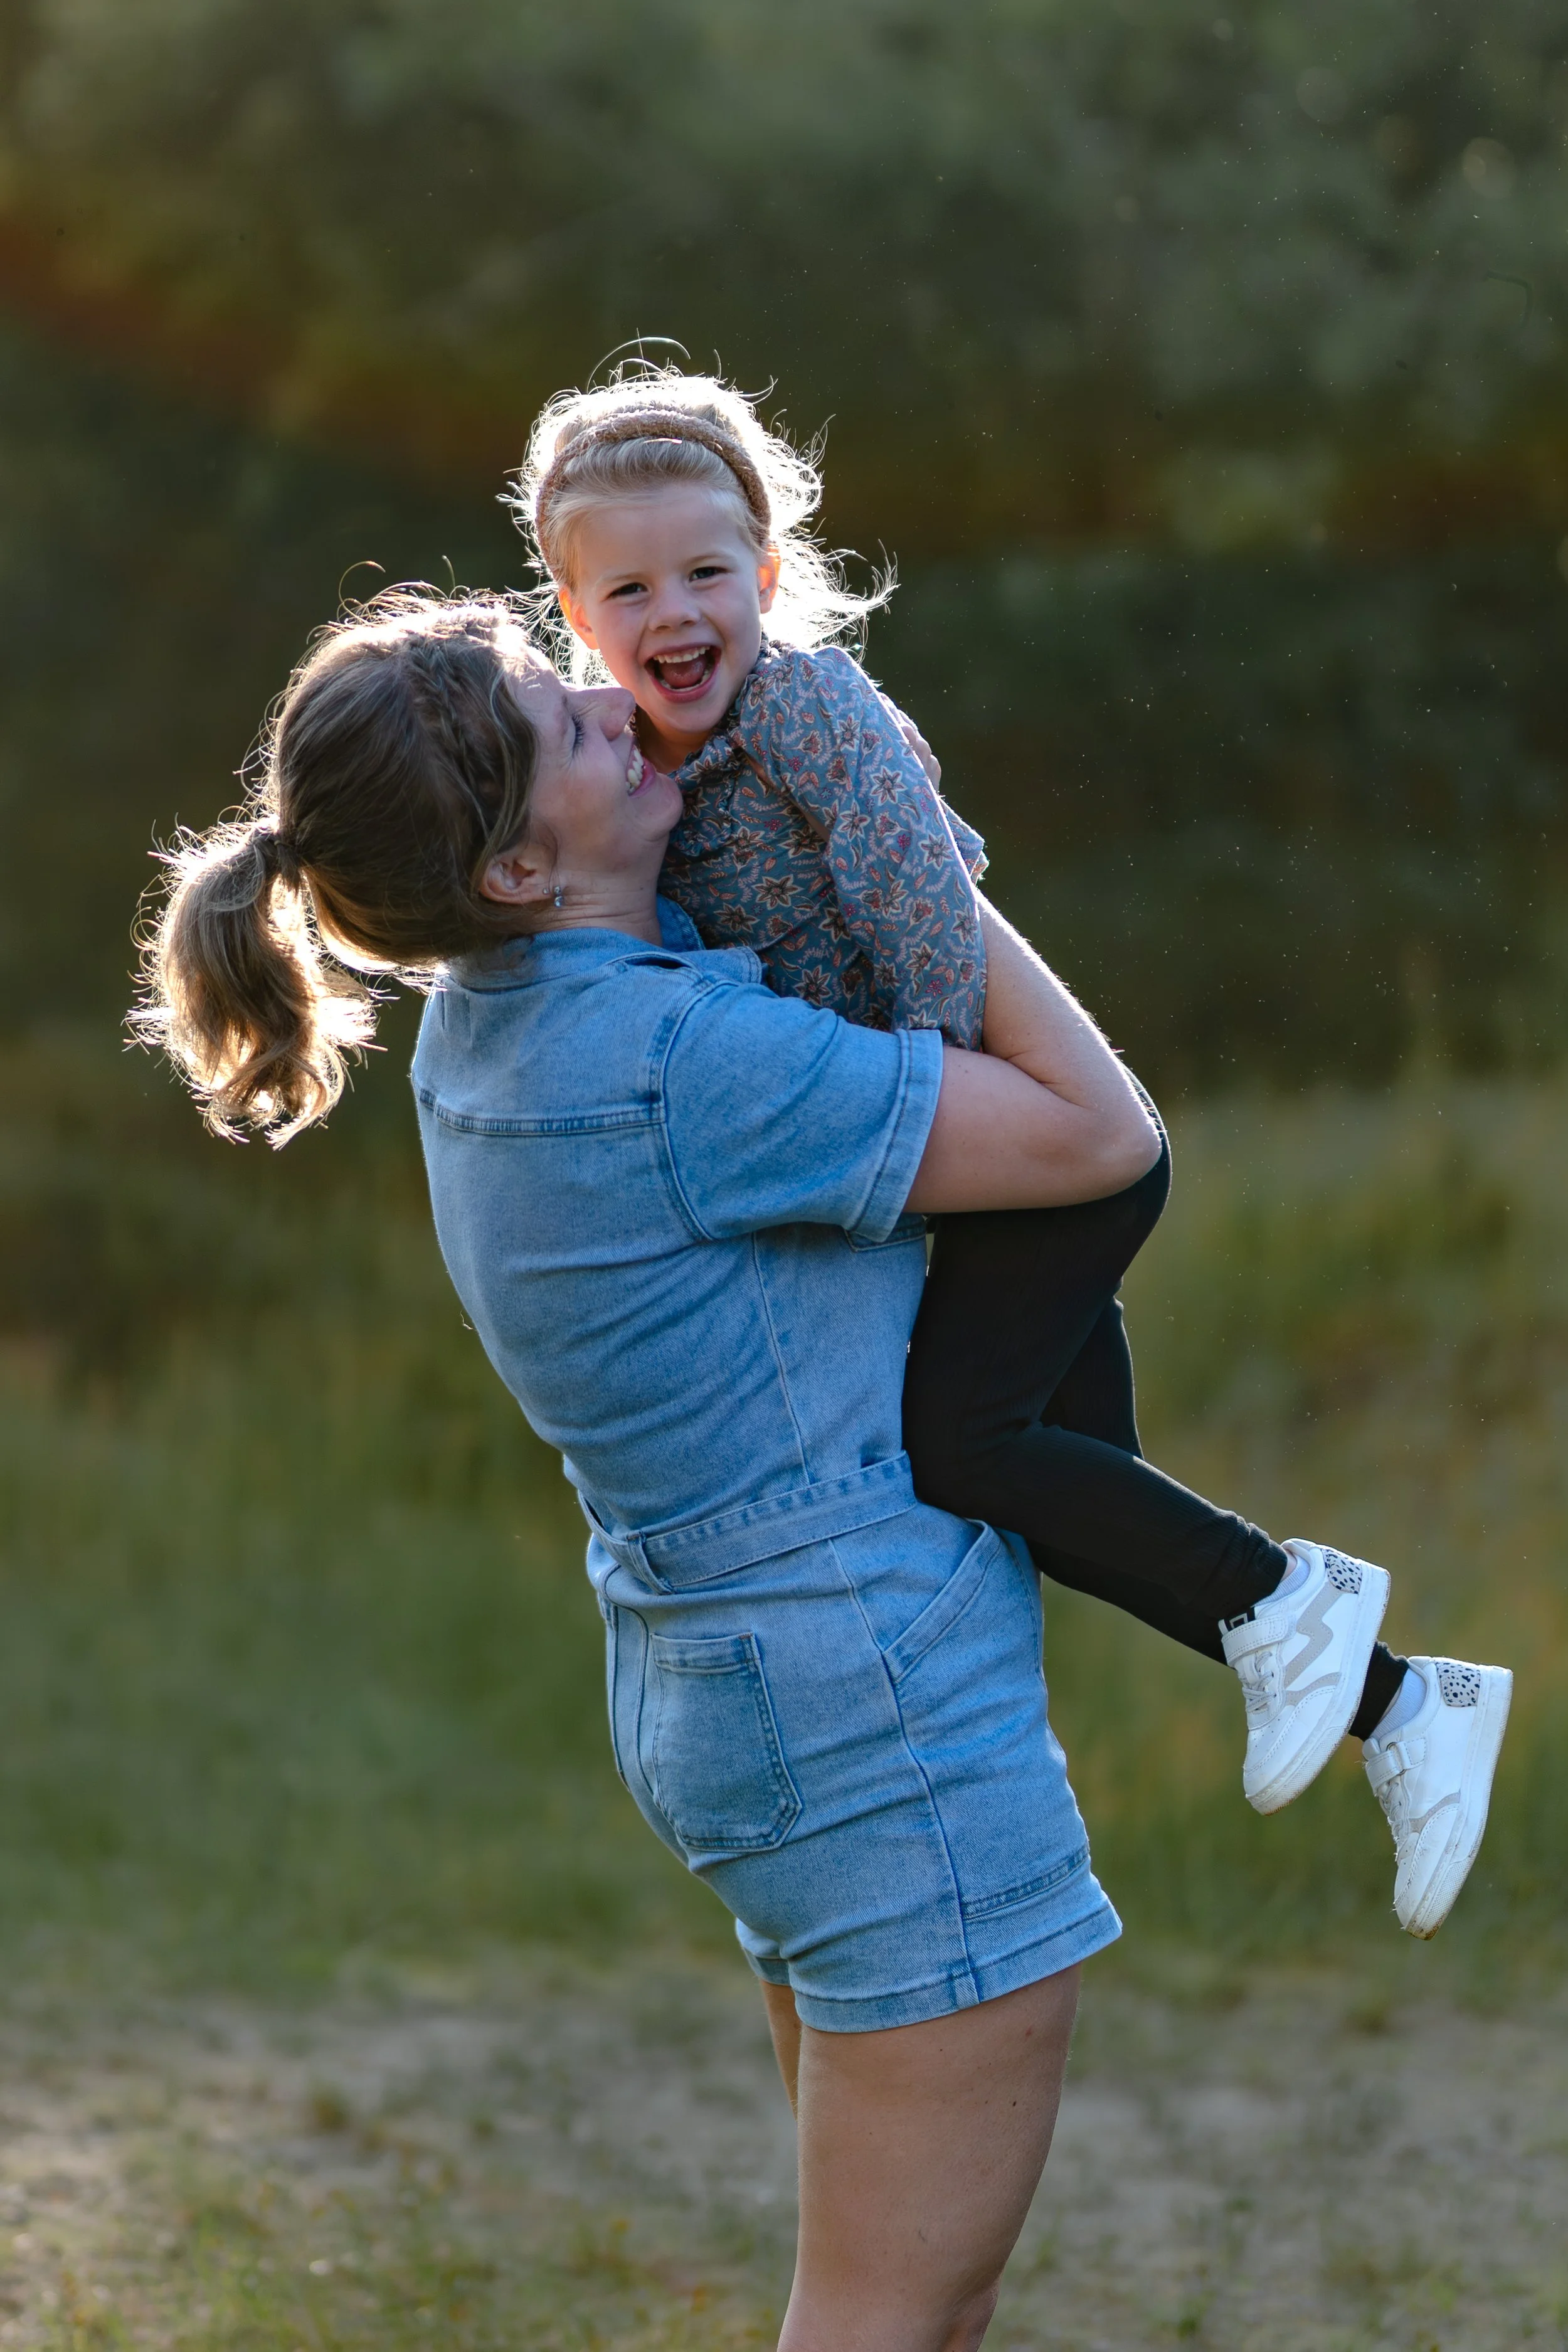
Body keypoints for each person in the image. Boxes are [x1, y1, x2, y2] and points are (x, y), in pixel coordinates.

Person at [135, 590, 1165, 2350]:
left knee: (900, 2297)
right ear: (521, 871)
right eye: (572, 721)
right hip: (869, 1706)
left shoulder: (505, 1032)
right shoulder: (683, 1063)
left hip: (741, 1683)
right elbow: (1095, 1133)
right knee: (883, 2309)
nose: (618, 703)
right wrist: (889, 828)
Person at [509, 368, 1511, 1934]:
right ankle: (1407, 1709)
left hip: (1020, 1156)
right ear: (576, 616)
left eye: (708, 571)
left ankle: (1312, 1603)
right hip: (956, 1167)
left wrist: (927, 1120)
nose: (676, 610)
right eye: (629, 586)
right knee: (1082, 1504)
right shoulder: (646, 780)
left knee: (965, 1451)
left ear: (767, 581)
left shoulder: (804, 707)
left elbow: (919, 897)